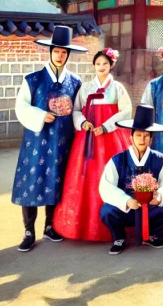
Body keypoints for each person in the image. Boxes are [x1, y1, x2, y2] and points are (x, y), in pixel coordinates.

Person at [11, 25, 86, 252]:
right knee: (31, 183)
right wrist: (41, 115)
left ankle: (50, 226)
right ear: (50, 52)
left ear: (68, 54)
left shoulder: (75, 82)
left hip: (63, 140)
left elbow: (78, 109)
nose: (60, 55)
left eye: (64, 52)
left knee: (57, 181)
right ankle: (28, 231)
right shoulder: (32, 79)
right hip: (37, 139)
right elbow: (21, 106)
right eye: (56, 51)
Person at [53, 48, 133, 241]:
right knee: (85, 175)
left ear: (111, 65)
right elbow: (76, 110)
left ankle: (119, 224)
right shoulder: (86, 87)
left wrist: (106, 126)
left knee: (114, 175)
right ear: (94, 66)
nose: (101, 67)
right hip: (88, 138)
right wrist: (83, 123)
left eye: (105, 64)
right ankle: (83, 226)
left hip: (112, 137)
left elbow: (126, 110)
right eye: (98, 64)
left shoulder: (117, 88)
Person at [99, 104, 163, 255]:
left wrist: (159, 196)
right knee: (106, 211)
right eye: (138, 135)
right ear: (131, 137)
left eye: (146, 136)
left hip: (150, 208)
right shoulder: (118, 160)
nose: (142, 139)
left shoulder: (159, 159)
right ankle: (119, 237)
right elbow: (106, 186)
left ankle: (149, 234)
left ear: (151, 138)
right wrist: (125, 200)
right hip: (128, 209)